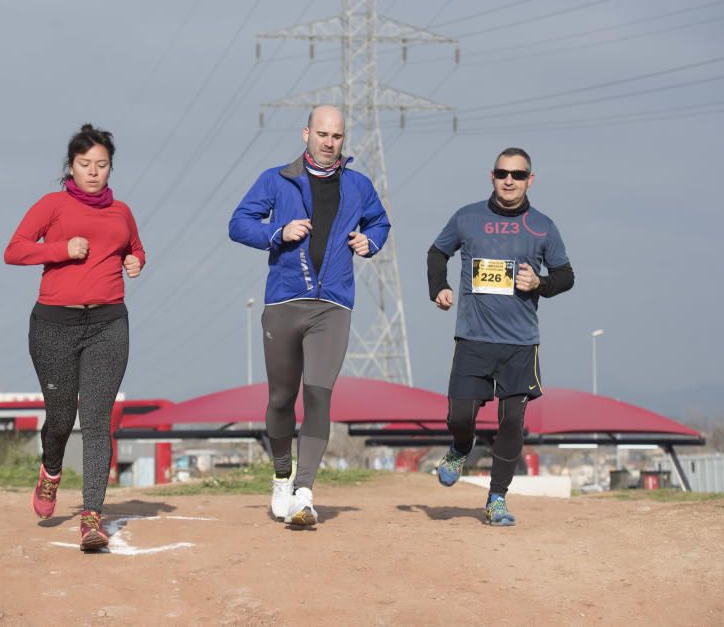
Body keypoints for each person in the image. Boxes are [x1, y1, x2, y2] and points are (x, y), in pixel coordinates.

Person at [229, 105, 390, 526]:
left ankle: (304, 491)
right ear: (306, 134)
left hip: (333, 306)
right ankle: (282, 477)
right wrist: (276, 233)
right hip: (284, 301)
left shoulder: (359, 186)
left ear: (343, 139)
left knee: (318, 393)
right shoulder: (277, 179)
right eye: (321, 134)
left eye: (336, 136)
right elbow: (238, 223)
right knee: (281, 398)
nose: (328, 142)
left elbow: (380, 223)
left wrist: (369, 243)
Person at [4, 124, 145, 551]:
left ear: (110, 168)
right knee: (62, 417)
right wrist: (61, 250)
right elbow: (14, 250)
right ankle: (50, 471)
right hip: (53, 327)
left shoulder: (121, 211)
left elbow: (135, 247)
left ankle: (91, 517)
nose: (93, 172)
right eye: (85, 164)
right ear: (71, 166)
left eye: (101, 165)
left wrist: (136, 260)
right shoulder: (53, 205)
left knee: (98, 419)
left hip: (108, 324)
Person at [427, 147, 574, 526]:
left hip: (520, 343)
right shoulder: (467, 217)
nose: (510, 180)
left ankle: (497, 498)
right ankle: (461, 447)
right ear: (491, 176)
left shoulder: (543, 226)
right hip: (473, 337)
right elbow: (436, 253)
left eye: (518, 174)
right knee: (460, 415)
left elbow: (566, 276)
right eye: (503, 172)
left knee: (511, 422)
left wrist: (540, 283)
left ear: (530, 179)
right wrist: (438, 288)